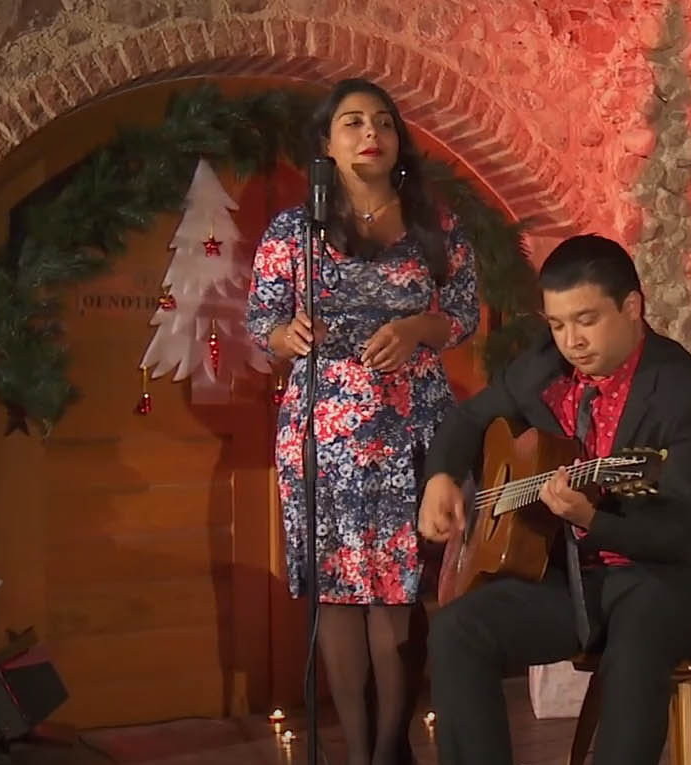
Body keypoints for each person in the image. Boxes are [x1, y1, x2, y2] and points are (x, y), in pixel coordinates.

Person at [416, 235, 691, 765]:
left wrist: (592, 518)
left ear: (632, 307)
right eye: (558, 324)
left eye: (586, 320)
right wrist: (442, 477)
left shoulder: (690, 398)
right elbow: (470, 418)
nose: (572, 341)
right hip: (571, 579)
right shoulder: (544, 368)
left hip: (665, 577)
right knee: (457, 631)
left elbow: (682, 533)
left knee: (637, 645)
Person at [245, 77, 479, 765]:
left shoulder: (437, 225)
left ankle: (389, 748)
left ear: (398, 141)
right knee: (341, 593)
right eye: (352, 122)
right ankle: (358, 751)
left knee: (399, 593)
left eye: (383, 122)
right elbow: (261, 322)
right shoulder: (294, 231)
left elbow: (463, 314)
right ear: (326, 143)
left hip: (414, 426)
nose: (370, 133)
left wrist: (416, 328)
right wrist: (287, 335)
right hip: (326, 432)